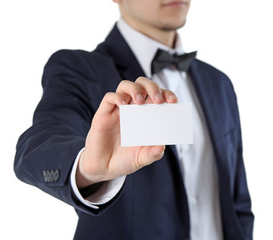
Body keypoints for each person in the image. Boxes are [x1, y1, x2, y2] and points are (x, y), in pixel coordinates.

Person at [14, 0, 254, 239]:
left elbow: (237, 201)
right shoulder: (79, 69)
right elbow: (37, 146)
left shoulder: (219, 83)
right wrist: (87, 167)